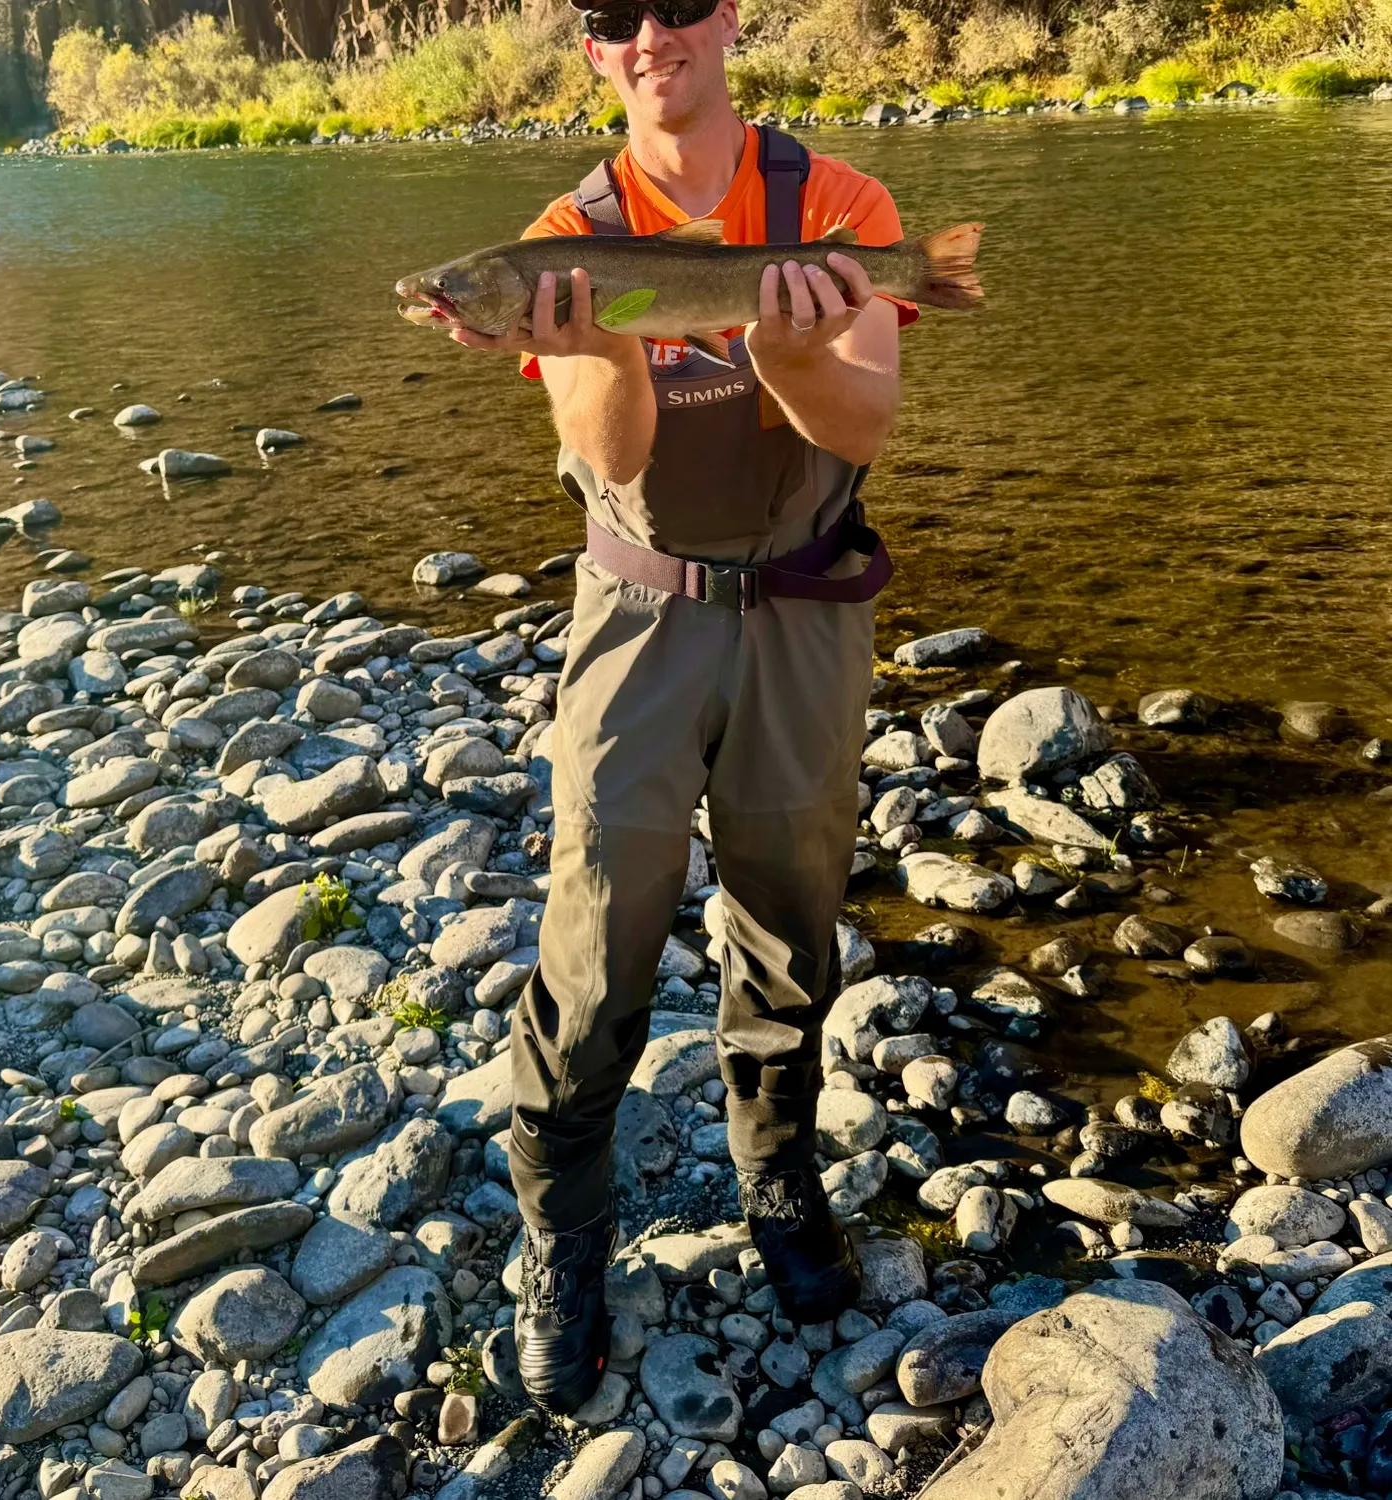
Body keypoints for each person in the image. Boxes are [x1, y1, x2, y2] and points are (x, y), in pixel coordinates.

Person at [441, 0, 914, 1416]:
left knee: (788, 929)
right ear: (594, 52)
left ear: (724, 22)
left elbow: (864, 429)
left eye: (678, 2)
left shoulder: (837, 201)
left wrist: (783, 344)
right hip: (639, 615)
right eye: (612, 15)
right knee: (591, 956)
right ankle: (563, 1235)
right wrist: (600, 348)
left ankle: (779, 1184)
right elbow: (616, 457)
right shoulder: (562, 235)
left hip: (805, 619)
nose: (651, 31)